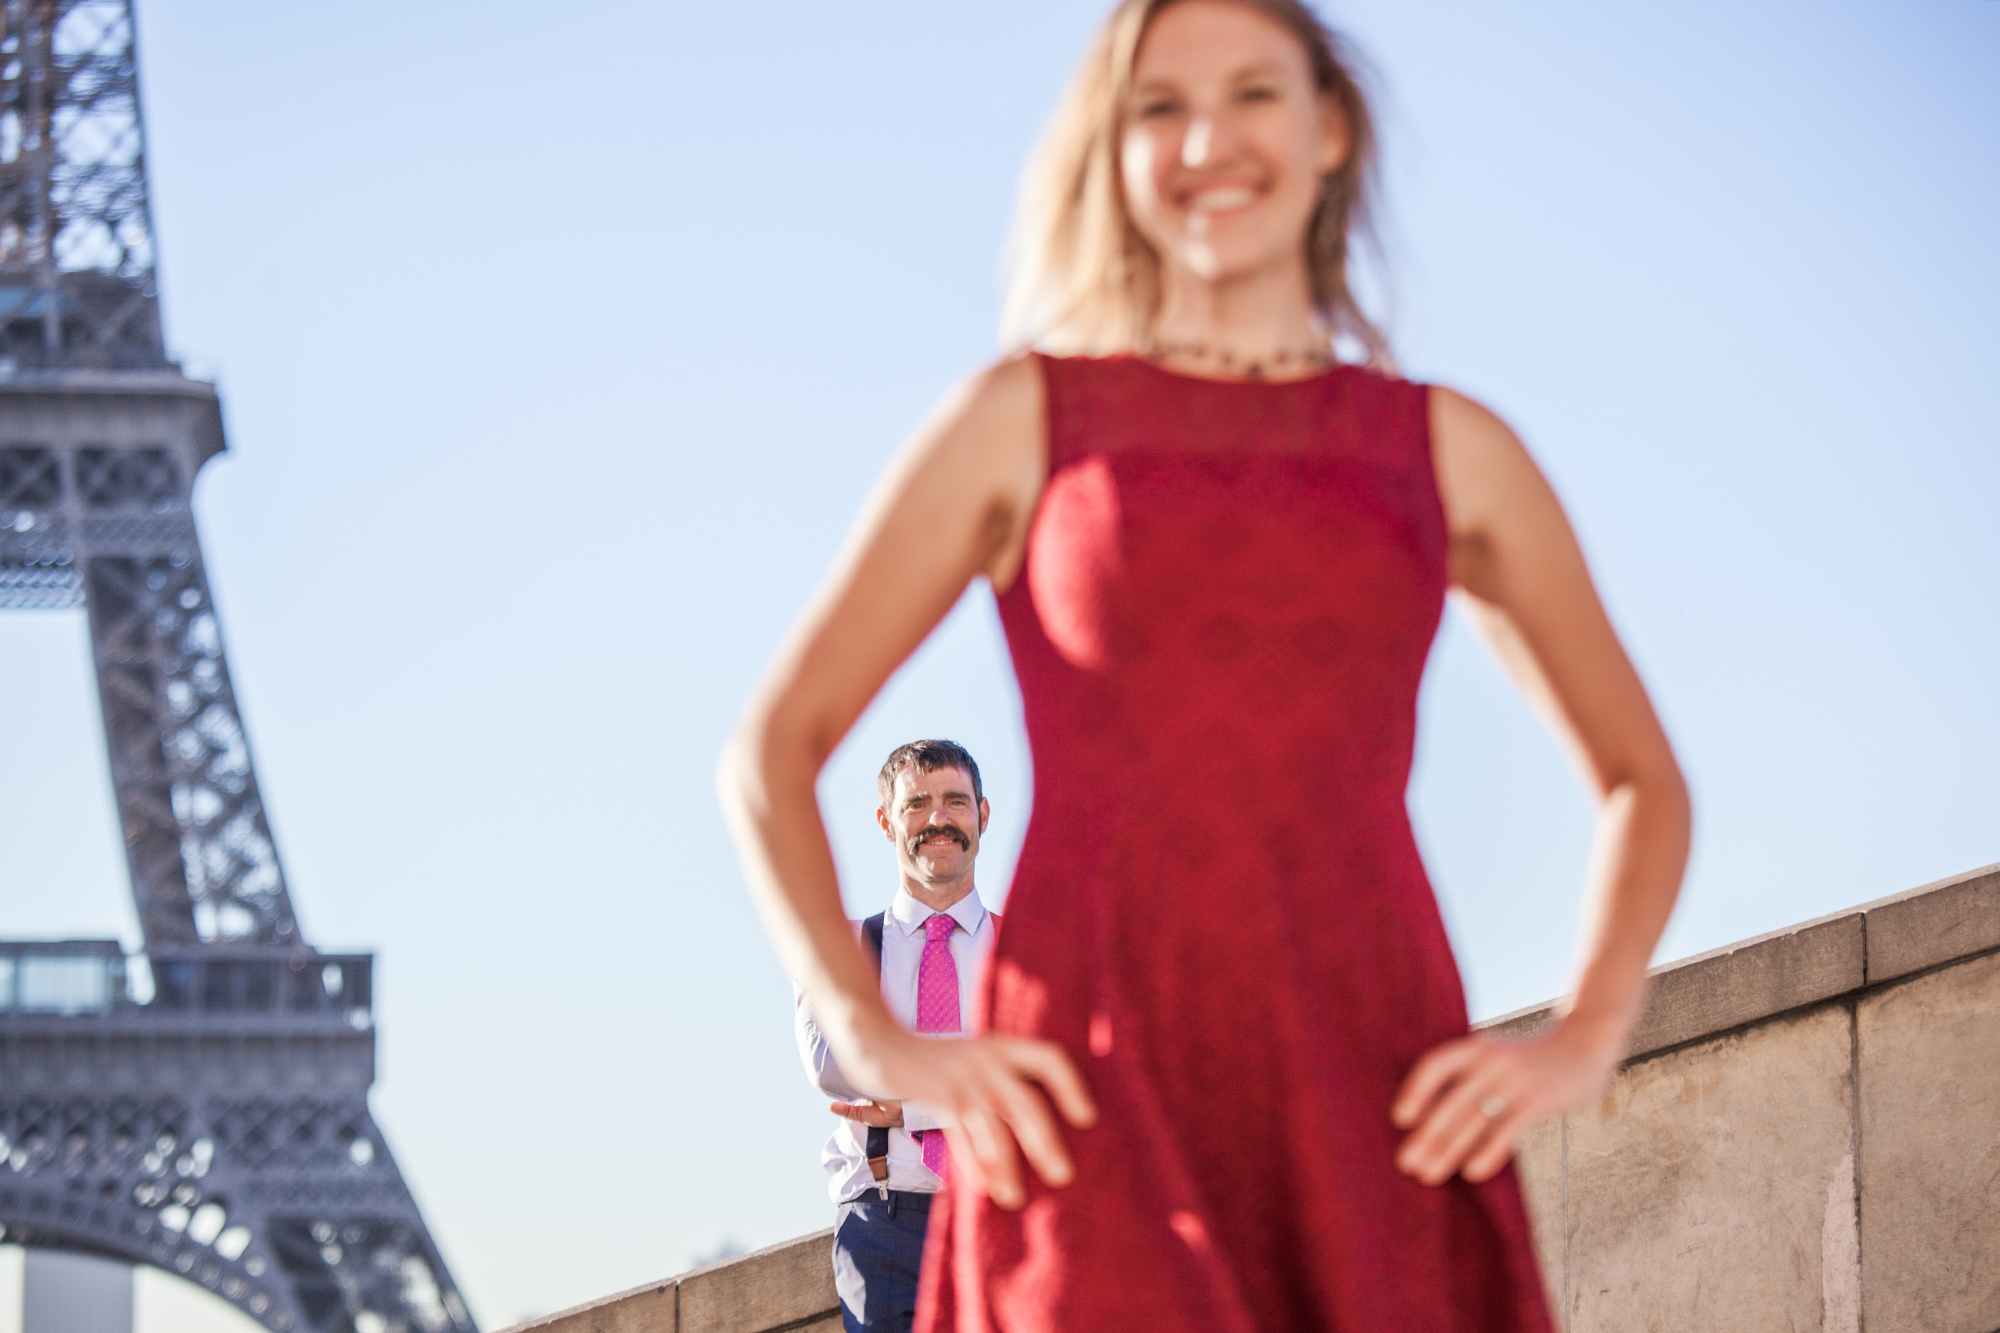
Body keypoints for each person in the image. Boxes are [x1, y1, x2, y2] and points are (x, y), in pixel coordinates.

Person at [719, 0, 1691, 1328]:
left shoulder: (1447, 449)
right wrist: (879, 1039)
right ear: (1110, 150)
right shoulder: (1021, 422)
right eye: (1159, 107)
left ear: (1329, 127)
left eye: (1251, 94)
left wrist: (1583, 1038)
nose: (1204, 142)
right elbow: (769, 753)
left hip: (1369, 1092)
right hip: (1088, 1111)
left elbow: (1641, 777)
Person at [798, 740, 1000, 1332]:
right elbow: (835, 1065)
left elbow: (1051, 1075)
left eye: (955, 801)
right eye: (917, 804)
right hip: (883, 1228)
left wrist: (908, 1103)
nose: (938, 818)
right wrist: (982, 1066)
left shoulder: (1027, 953)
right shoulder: (843, 946)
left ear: (983, 815)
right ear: (887, 821)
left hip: (1005, 1213)